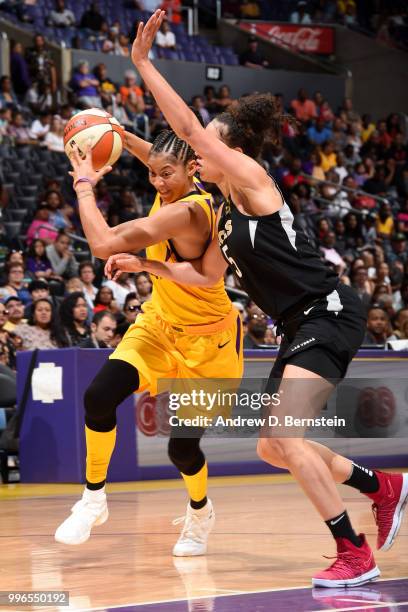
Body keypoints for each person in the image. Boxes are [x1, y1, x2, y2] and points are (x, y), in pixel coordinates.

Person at [107, 10, 408, 588]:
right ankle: (383, 486)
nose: (197, 155)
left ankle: (355, 552)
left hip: (328, 312)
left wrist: (142, 64)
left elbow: (191, 135)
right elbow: (200, 275)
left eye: (208, 148)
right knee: (273, 445)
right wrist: (118, 143)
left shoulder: (252, 182)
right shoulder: (221, 215)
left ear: (231, 151)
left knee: (287, 436)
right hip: (299, 326)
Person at [55, 123, 243, 557]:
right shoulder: (172, 175)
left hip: (207, 343)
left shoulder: (190, 210)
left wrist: (84, 185)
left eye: (166, 174)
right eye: (152, 173)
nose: (157, 181)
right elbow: (151, 153)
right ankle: (93, 498)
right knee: (99, 396)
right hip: (159, 324)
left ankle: (200, 511)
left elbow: (103, 244)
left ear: (191, 168)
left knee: (181, 448)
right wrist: (112, 130)